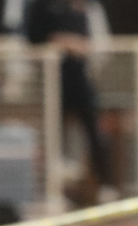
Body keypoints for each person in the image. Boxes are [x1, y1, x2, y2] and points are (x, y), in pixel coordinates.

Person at [24, 0, 113, 204]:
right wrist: (60, 41)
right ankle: (50, 191)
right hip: (49, 84)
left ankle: (106, 186)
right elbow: (33, 38)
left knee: (95, 132)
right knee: (52, 137)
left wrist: (82, 47)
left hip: (80, 80)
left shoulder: (86, 7)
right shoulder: (41, 6)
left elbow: (95, 44)